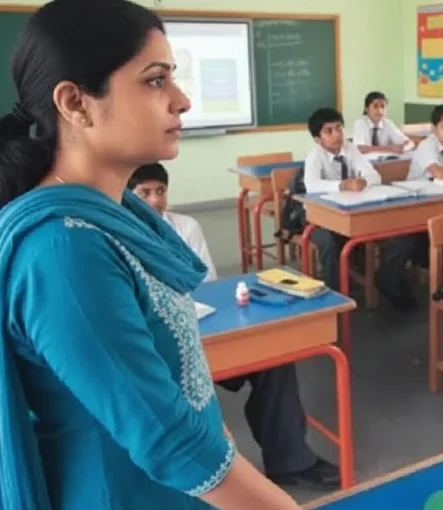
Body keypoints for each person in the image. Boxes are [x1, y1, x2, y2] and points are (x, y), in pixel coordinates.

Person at [0, 1, 300, 508]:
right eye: (155, 80)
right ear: (75, 103)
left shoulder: (119, 216)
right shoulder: (63, 249)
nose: (181, 101)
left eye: (173, 78)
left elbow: (182, 400)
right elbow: (169, 441)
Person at [128, 163, 341, 490]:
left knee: (276, 361)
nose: (155, 200)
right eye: (144, 193)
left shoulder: (185, 226)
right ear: (127, 196)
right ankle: (192, 482)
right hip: (160, 344)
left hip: (202, 329)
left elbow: (205, 284)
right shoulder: (118, 236)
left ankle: (290, 462)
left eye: (160, 191)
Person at [304, 107, 418, 308]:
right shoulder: (315, 155)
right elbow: (312, 186)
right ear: (318, 139)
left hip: (352, 211)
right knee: (329, 244)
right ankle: (333, 299)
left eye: (339, 128)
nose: (337, 134)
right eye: (329, 131)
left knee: (398, 231)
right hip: (319, 218)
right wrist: (342, 185)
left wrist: (363, 181)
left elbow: (375, 176)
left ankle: (387, 280)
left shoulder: (351, 150)